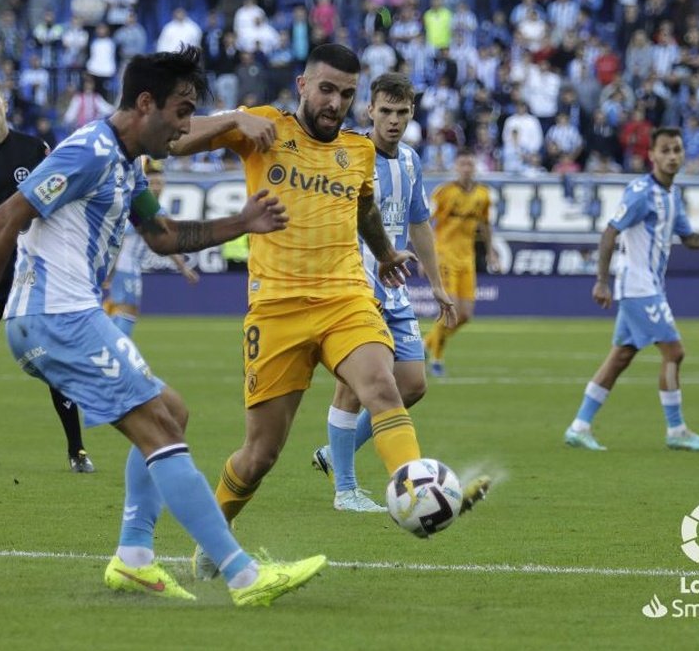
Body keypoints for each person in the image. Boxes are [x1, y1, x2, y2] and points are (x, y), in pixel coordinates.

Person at [0, 47, 326, 606]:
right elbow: (8, 216)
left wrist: (243, 223)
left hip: (67, 317)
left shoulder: (126, 164)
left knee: (172, 411)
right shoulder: (88, 151)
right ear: (146, 104)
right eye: (181, 111)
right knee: (162, 429)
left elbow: (161, 237)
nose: (183, 126)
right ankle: (244, 576)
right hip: (57, 317)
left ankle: (133, 558)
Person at [169, 45, 489, 579]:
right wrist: (234, 118)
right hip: (277, 310)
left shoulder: (357, 152)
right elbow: (174, 140)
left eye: (345, 93)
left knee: (385, 386)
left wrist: (385, 254)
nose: (335, 102)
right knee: (259, 455)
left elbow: (362, 206)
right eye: (326, 89)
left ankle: (415, 488)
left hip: (345, 297)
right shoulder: (265, 128)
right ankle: (213, 537)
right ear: (301, 84)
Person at [310, 72, 459, 512]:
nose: (394, 120)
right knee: (354, 387)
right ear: (369, 110)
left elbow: (419, 223)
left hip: (393, 290)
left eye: (402, 112)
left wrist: (436, 285)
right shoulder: (349, 155)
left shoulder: (410, 161)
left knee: (412, 384)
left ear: (412, 113)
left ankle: (330, 453)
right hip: (354, 287)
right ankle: (346, 490)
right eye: (386, 111)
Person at [0, 74, 92, 473]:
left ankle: (76, 450)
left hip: (32, 260)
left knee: (52, 349)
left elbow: (62, 203)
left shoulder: (34, 149)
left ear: (4, 104)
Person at [563, 127, 699, 452]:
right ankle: (677, 431)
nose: (672, 156)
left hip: (649, 286)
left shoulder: (672, 195)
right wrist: (601, 280)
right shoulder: (641, 192)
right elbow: (610, 233)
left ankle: (579, 426)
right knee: (674, 352)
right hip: (638, 287)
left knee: (621, 357)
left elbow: (688, 238)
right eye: (666, 150)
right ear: (652, 155)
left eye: (677, 150)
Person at [423, 149, 499, 378]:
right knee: (452, 310)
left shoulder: (483, 195)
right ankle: (437, 358)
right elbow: (425, 221)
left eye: (469, 164)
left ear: (474, 167)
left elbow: (484, 225)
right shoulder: (444, 192)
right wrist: (426, 254)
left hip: (467, 258)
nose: (466, 168)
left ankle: (425, 344)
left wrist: (490, 251)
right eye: (462, 164)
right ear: (456, 167)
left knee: (466, 315)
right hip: (444, 255)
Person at [103, 158, 199, 337]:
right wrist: (110, 271)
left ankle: (106, 345)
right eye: (152, 183)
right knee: (127, 311)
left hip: (131, 268)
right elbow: (120, 241)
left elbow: (167, 242)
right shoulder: (137, 208)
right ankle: (115, 350)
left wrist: (183, 268)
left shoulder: (157, 211)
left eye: (160, 183)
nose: (156, 187)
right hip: (125, 268)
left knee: (117, 308)